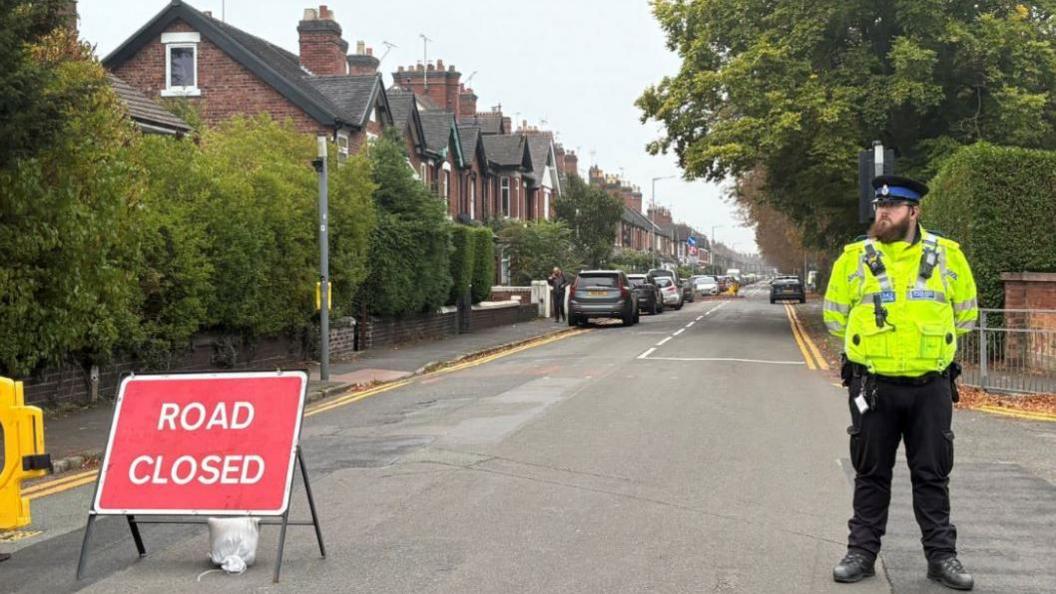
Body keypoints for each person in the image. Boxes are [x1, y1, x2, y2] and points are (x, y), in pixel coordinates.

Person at [824, 175, 978, 591]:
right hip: (873, 387)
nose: (883, 214)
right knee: (871, 473)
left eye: (892, 208)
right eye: (879, 207)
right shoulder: (855, 258)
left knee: (932, 475)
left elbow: (966, 316)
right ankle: (861, 553)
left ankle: (942, 558)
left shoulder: (948, 257)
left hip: (931, 387)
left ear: (914, 212)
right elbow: (834, 317)